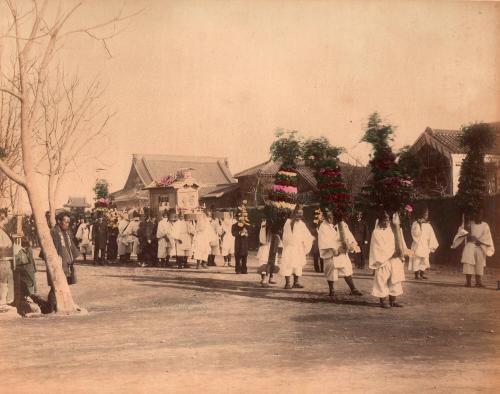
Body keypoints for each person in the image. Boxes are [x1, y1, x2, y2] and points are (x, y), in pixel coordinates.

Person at [318, 210, 363, 299]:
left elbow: (349, 236)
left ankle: (353, 289)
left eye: (331, 216)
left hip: (342, 252)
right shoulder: (323, 226)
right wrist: (335, 249)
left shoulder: (342, 224)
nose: (329, 219)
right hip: (331, 252)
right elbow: (324, 240)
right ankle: (332, 290)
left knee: (347, 270)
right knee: (331, 270)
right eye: (327, 217)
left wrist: (351, 244)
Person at [369, 210, 406, 308]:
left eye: (388, 220)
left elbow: (398, 241)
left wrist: (400, 252)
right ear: (380, 221)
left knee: (395, 279)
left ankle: (393, 300)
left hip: (394, 259)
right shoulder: (376, 232)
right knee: (382, 279)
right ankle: (383, 301)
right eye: (384, 220)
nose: (386, 222)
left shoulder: (392, 230)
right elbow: (379, 247)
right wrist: (392, 253)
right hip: (383, 260)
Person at [452, 210, 494, 288]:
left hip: (480, 246)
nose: (478, 217)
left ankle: (478, 282)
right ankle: (468, 282)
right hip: (470, 245)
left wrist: (479, 241)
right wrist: (467, 234)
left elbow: (487, 237)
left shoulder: (485, 225)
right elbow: (461, 232)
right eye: (476, 215)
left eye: (480, 215)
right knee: (468, 263)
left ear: (482, 216)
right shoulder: (469, 224)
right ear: (474, 216)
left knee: (479, 264)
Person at [49, 211, 79, 311]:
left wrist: (72, 258)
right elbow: (52, 251)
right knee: (56, 286)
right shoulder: (54, 232)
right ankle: (52, 307)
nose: (67, 224)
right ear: (59, 221)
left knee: (64, 285)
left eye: (68, 222)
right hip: (59, 263)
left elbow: (71, 247)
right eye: (65, 222)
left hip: (67, 264)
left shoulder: (67, 232)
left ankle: (63, 305)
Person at [280, 205, 314, 289]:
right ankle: (287, 283)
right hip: (290, 247)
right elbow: (286, 236)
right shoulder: (288, 222)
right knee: (288, 264)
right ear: (294, 213)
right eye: (298, 213)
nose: (300, 215)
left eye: (301, 213)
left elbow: (307, 235)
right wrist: (292, 242)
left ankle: (296, 282)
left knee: (298, 265)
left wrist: (311, 238)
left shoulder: (302, 224)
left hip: (298, 247)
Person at [408, 207, 439, 280]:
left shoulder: (428, 224)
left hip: (425, 244)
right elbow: (415, 233)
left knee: (424, 259)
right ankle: (417, 274)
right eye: (425, 214)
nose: (426, 215)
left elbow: (431, 234)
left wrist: (431, 244)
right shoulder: (415, 223)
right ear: (421, 214)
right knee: (417, 258)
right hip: (417, 243)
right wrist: (420, 224)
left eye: (427, 214)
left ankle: (422, 273)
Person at [13, 237, 40, 315]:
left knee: (29, 286)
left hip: (26, 270)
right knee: (30, 286)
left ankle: (29, 298)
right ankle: (29, 298)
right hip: (28, 270)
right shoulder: (28, 250)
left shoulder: (22, 251)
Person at [257, 219, 279, 286]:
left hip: (272, 243)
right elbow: (262, 235)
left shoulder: (276, 220)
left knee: (273, 261)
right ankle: (263, 279)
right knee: (264, 261)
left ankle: (271, 277)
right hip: (265, 244)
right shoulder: (264, 222)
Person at [0, 213, 14, 306]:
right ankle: (3, 300)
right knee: (3, 280)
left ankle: (6, 299)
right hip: (3, 258)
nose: (7, 219)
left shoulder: (3, 229)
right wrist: (7, 245)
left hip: (7, 258)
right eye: (5, 217)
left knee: (6, 279)